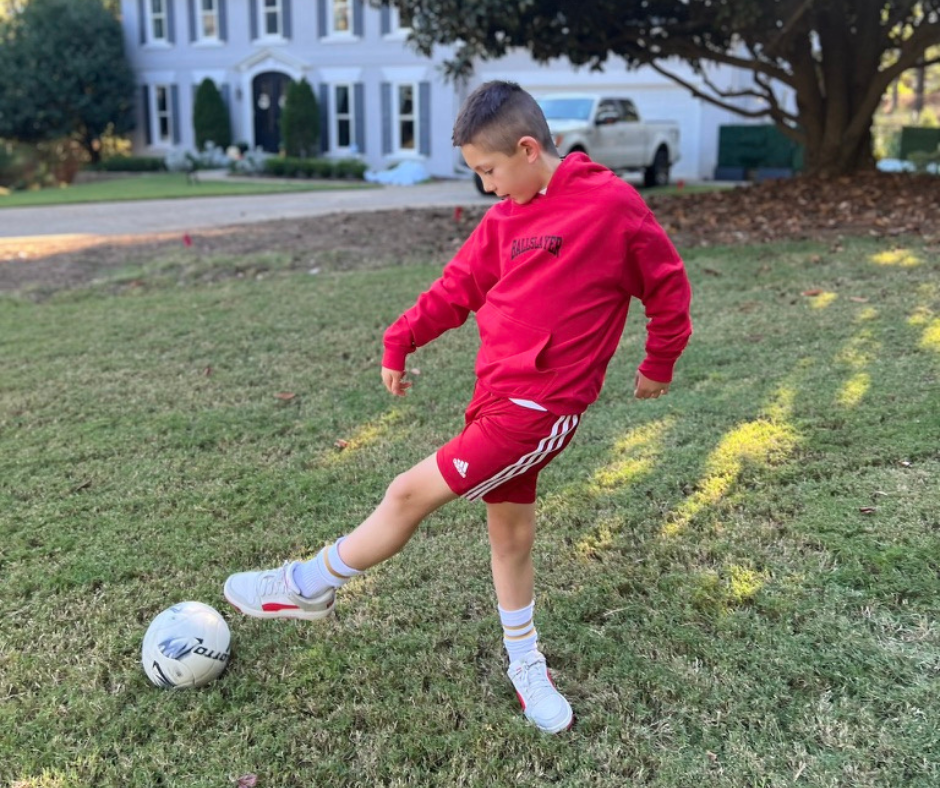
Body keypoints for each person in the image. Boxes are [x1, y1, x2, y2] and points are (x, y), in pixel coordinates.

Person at [223, 80, 692, 734]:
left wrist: (658, 361)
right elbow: (456, 288)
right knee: (512, 539)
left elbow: (667, 285)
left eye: (490, 171)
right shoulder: (505, 222)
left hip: (540, 410)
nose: (488, 187)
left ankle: (305, 583)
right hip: (495, 400)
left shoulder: (611, 207)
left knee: (406, 494)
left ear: (528, 149)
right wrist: (400, 338)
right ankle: (526, 664)